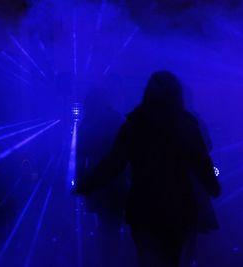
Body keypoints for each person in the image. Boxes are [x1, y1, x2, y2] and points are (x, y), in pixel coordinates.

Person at [75, 71, 221, 267]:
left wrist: (88, 183)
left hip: (145, 203)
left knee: (147, 256)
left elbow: (115, 161)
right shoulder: (186, 123)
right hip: (177, 202)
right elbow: (202, 157)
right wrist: (211, 184)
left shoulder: (135, 123)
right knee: (174, 256)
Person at [76, 88, 128, 267]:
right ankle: (112, 260)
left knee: (104, 225)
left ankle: (104, 261)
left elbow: (80, 157)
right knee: (113, 225)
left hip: (98, 181)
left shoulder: (87, 124)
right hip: (118, 180)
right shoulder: (118, 120)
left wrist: (81, 183)